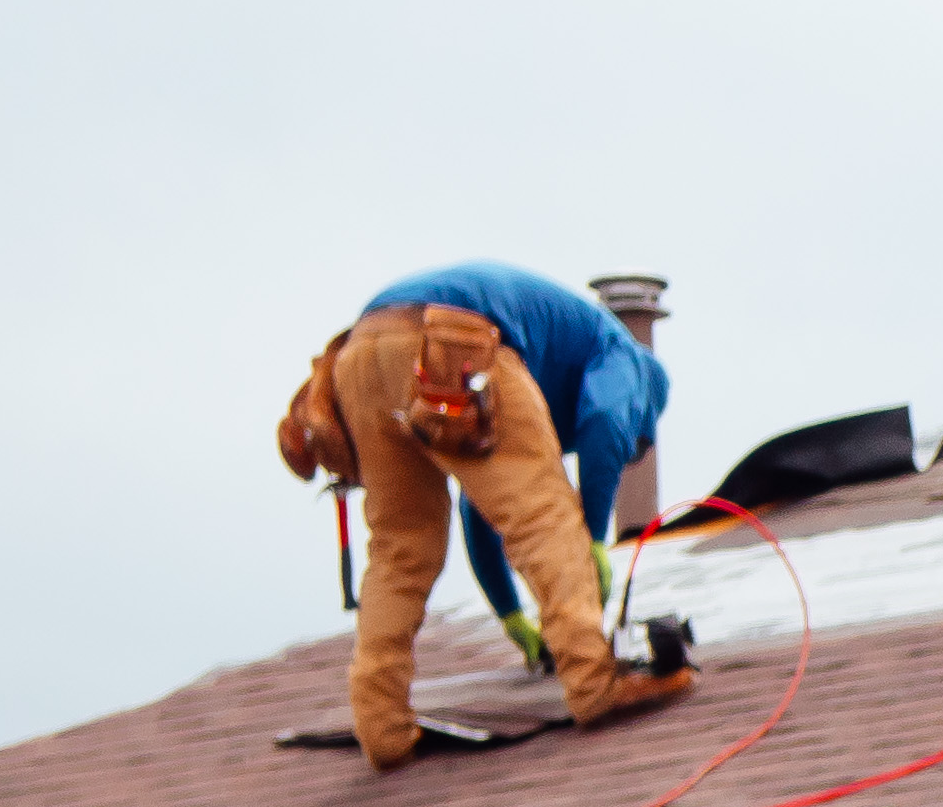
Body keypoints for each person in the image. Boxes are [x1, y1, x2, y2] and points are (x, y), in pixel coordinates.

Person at [271, 265, 693, 767]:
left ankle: (382, 727)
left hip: (361, 355)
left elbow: (483, 502)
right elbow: (605, 421)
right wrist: (595, 539)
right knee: (546, 517)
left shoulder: (556, 360)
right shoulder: (625, 357)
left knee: (401, 550)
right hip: (453, 340)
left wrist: (512, 616)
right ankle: (593, 683)